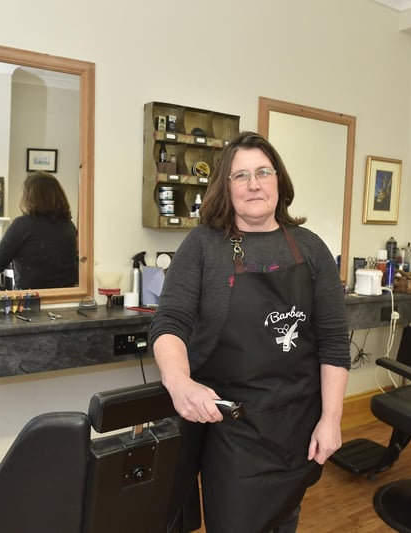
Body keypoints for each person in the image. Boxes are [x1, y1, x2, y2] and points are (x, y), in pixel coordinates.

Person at [150, 131, 350, 533]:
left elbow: (332, 341)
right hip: (233, 429)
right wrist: (178, 381)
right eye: (240, 176)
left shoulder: (310, 248)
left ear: (279, 180)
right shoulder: (203, 245)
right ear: (226, 187)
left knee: (285, 519)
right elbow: (170, 321)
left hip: (297, 424)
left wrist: (332, 417)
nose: (254, 183)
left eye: (263, 172)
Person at [0, 171, 78, 290]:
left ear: (30, 197)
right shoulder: (69, 226)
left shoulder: (23, 225)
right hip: (67, 296)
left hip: (32, 300)